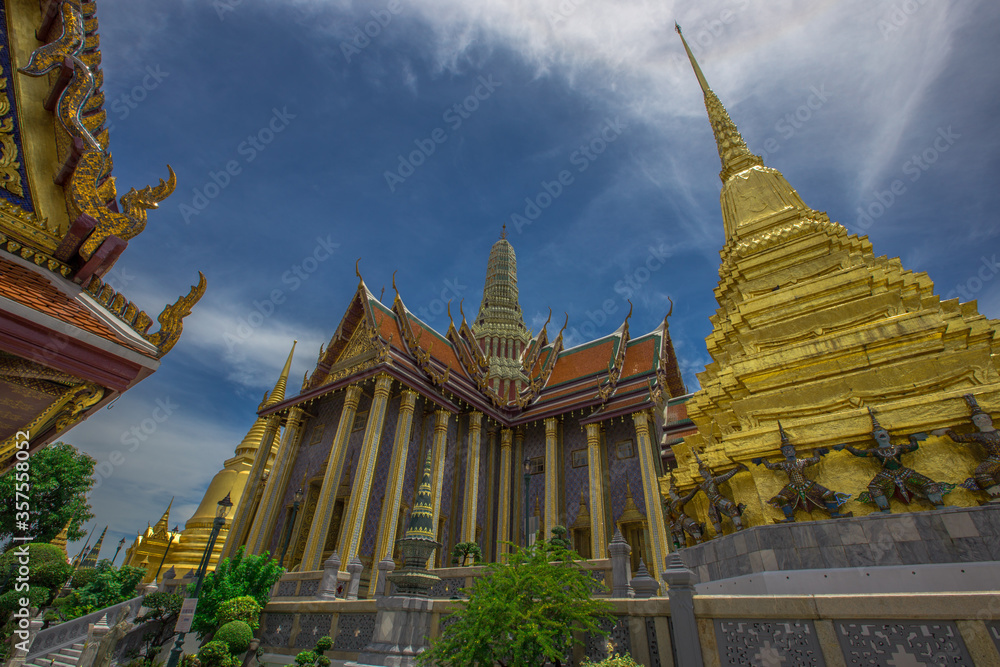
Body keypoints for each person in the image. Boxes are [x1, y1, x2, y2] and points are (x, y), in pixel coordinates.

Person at [835, 408, 954, 512]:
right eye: (878, 434)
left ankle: (939, 506)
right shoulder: (876, 451)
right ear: (875, 437)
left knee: (928, 483)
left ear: (888, 434)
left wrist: (913, 438)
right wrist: (846, 446)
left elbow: (913, 447)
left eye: (883, 432)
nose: (881, 434)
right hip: (887, 474)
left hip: (903, 471)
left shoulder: (898, 448)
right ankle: (885, 510)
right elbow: (859, 453)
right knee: (874, 488)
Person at [752, 423, 851, 522]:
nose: (788, 452)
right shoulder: (784, 464)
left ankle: (835, 514)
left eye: (789, 450)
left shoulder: (801, 462)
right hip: (793, 486)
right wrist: (763, 460)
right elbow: (770, 466)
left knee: (828, 494)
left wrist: (817, 451)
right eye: (785, 451)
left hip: (806, 484)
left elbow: (816, 460)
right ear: (782, 453)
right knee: (781, 498)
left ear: (794, 451)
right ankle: (789, 518)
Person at [939, 394, 1000, 500]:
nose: (981, 420)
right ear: (975, 423)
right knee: (982, 473)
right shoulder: (978, 435)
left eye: (984, 417)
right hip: (994, 459)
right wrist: (948, 431)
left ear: (990, 419)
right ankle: (996, 495)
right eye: (977, 419)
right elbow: (958, 439)